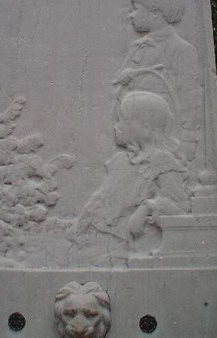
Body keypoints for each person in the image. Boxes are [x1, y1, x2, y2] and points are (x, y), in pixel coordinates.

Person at [76, 91, 191, 252]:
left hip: (125, 246)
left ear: (144, 127)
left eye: (123, 120)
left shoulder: (162, 162)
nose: (116, 126)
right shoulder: (119, 161)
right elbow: (100, 198)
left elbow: (181, 207)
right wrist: (80, 226)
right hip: (95, 238)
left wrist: (147, 207)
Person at [113, 0, 200, 162]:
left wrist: (185, 144)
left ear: (155, 13)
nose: (131, 15)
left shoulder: (182, 50)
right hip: (132, 139)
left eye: (136, 9)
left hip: (162, 142)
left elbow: (189, 103)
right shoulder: (138, 47)